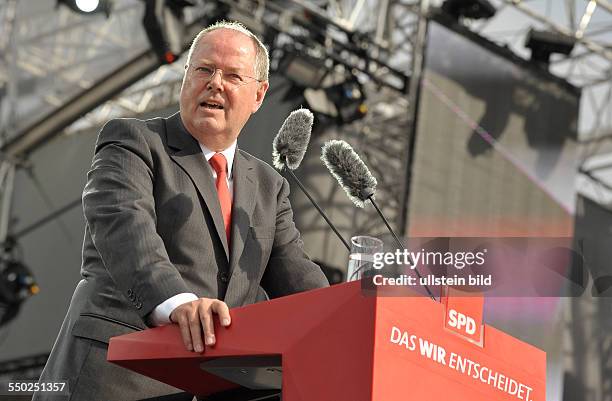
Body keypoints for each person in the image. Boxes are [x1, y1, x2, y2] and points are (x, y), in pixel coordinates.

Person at [34, 21, 329, 401]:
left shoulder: (270, 187)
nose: (215, 83)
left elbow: (301, 285)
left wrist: (358, 320)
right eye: (204, 69)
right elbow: (126, 228)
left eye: (233, 75)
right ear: (185, 78)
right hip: (114, 378)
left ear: (259, 95)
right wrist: (178, 303)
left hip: (212, 387)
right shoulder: (133, 141)